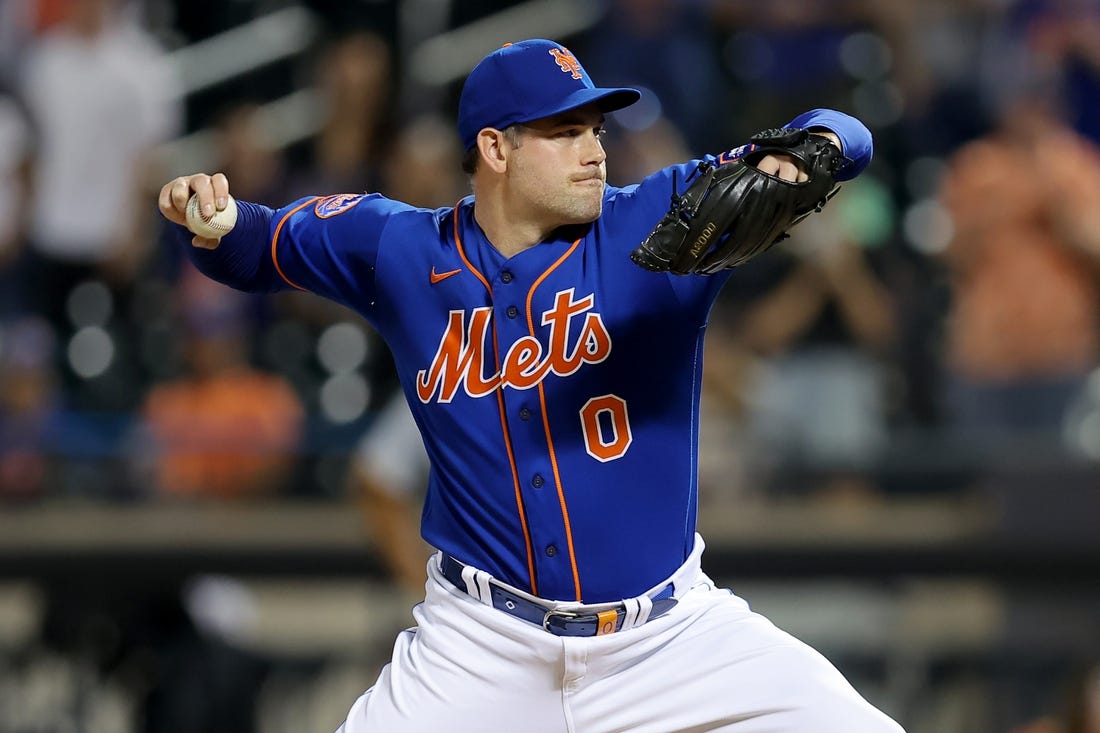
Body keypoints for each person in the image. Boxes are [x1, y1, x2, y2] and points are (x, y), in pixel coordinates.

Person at [158, 38, 901, 733]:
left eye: (596, 130)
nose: (594, 151)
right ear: (496, 147)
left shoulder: (657, 221)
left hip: (669, 640)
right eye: (565, 132)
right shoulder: (400, 247)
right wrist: (214, 217)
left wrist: (816, 151)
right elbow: (256, 245)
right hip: (481, 644)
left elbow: (846, 134)